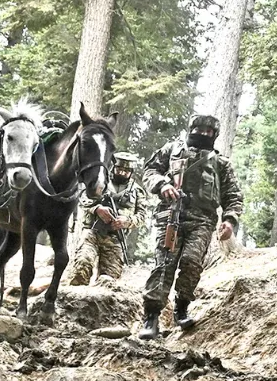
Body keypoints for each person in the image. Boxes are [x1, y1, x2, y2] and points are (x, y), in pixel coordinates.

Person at [138, 115, 242, 339]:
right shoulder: (171, 150)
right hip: (170, 215)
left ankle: (182, 306)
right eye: (199, 129)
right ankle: (151, 317)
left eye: (208, 131)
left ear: (214, 135)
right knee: (164, 263)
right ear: (191, 129)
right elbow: (149, 171)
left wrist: (230, 220)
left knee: (192, 263)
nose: (203, 134)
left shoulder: (220, 162)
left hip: (203, 220)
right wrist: (162, 184)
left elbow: (233, 196)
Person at [66, 151, 145, 285]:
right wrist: (97, 209)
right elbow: (82, 199)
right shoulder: (99, 182)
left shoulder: (137, 191)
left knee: (109, 280)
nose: (122, 173)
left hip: (115, 238)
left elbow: (142, 216)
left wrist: (127, 221)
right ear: (113, 168)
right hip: (91, 233)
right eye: (119, 169)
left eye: (126, 171)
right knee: (82, 265)